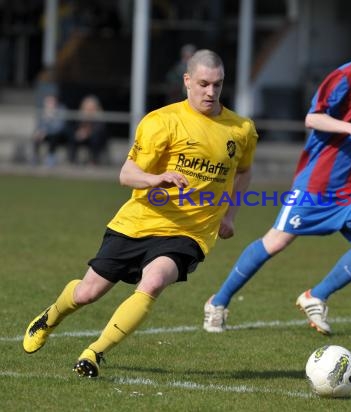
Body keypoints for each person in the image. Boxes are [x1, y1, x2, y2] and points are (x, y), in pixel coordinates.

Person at [22, 49, 259, 378]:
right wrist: (155, 179)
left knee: (155, 280)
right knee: (87, 292)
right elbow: (126, 174)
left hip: (189, 233)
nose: (210, 92)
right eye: (203, 83)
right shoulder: (162, 121)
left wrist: (230, 215)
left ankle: (94, 353)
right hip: (140, 221)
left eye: (217, 85)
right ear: (187, 81)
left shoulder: (241, 129)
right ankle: (51, 317)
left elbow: (244, 171)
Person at [203, 11, 351, 335]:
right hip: (320, 182)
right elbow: (313, 118)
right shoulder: (347, 76)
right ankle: (218, 302)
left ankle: (317, 296)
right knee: (276, 241)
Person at [68, 95, 108, 165]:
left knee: (95, 139)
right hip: (82, 137)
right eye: (87, 106)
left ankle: (93, 160)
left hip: (95, 138)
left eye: (91, 106)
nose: (89, 108)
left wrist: (87, 133)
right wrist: (79, 132)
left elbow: (100, 130)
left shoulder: (99, 116)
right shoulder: (81, 115)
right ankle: (72, 160)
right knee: (73, 137)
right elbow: (75, 126)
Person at [31, 93, 69, 167]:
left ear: (55, 102)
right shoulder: (43, 111)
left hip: (59, 135)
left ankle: (51, 157)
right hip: (45, 134)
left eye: (51, 101)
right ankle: (35, 157)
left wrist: (50, 118)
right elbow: (39, 125)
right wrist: (40, 131)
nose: (49, 104)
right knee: (36, 136)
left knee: (53, 136)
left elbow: (59, 127)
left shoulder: (61, 109)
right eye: (47, 102)